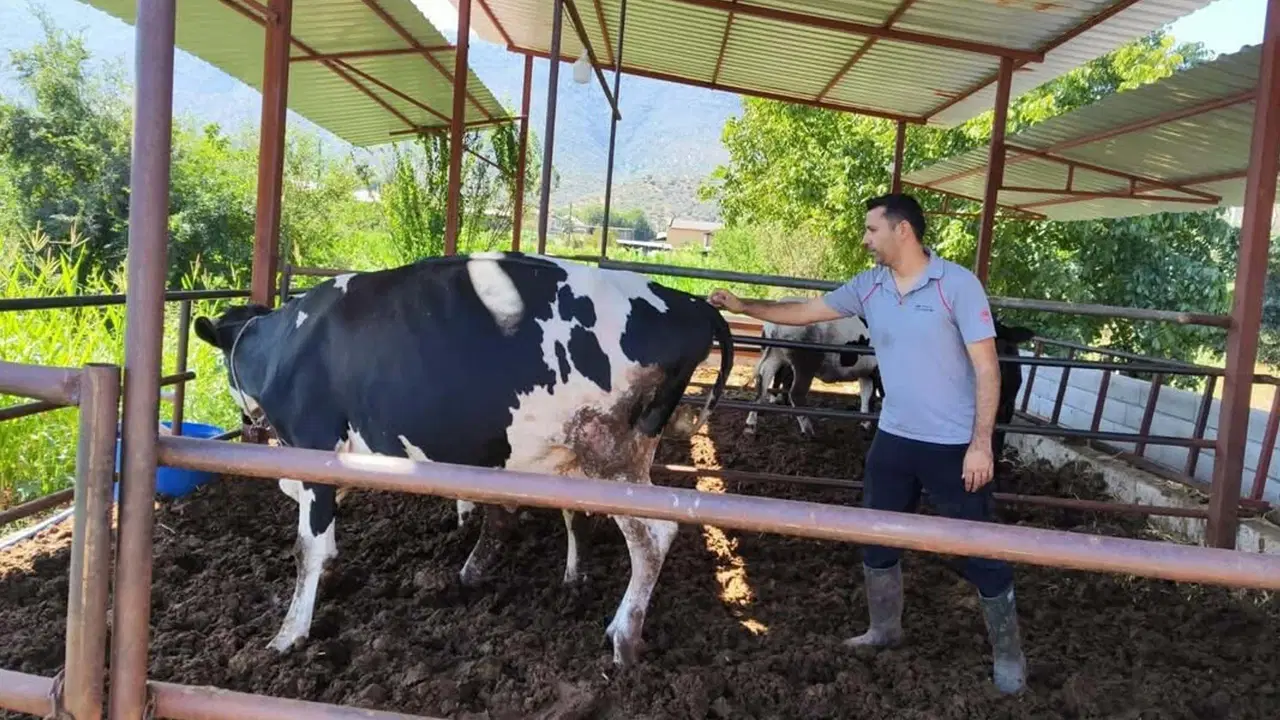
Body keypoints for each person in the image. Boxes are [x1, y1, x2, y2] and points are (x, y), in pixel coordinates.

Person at [706, 192, 1027, 695]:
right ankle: (885, 629)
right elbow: (806, 310)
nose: (864, 239)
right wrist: (746, 305)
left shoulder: (958, 287)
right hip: (894, 438)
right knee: (876, 535)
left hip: (952, 444)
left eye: (871, 230)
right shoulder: (870, 286)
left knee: (978, 545)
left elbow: (988, 368)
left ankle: (1008, 657)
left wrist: (981, 444)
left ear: (903, 231)